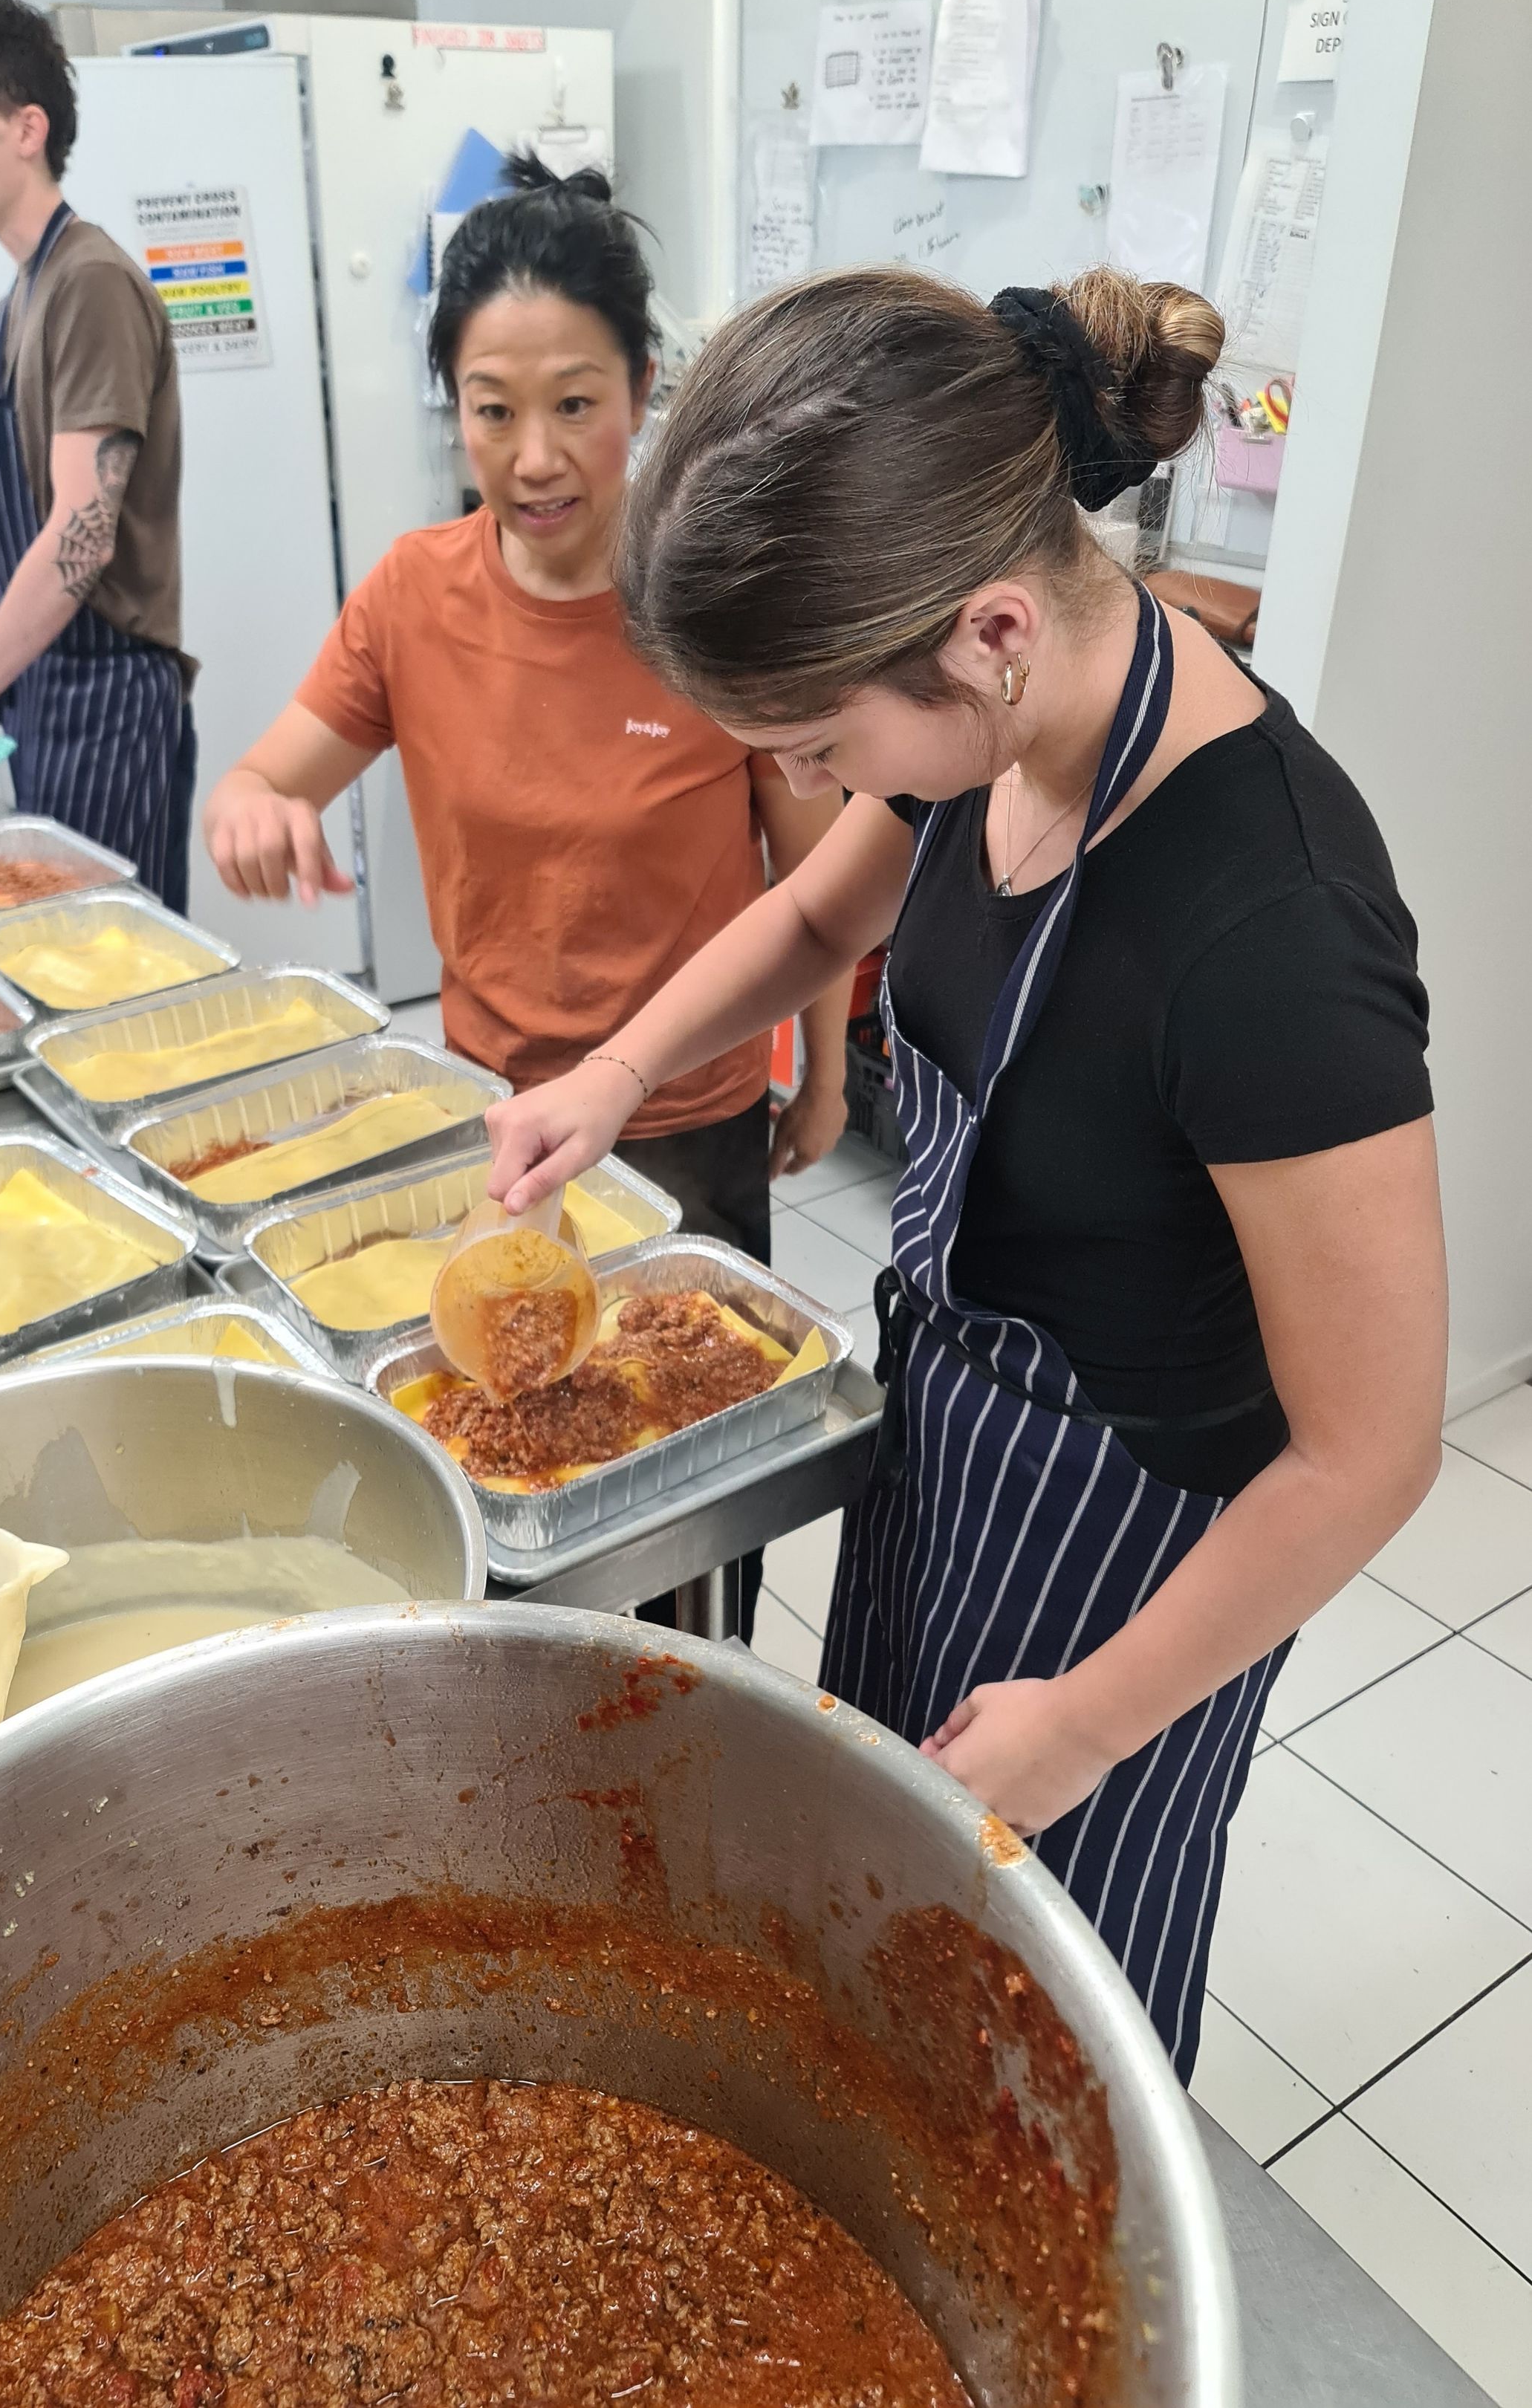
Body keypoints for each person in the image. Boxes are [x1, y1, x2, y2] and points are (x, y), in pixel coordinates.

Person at [486, 264, 1446, 2080]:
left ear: (990, 630)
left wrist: (1083, 1724)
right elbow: (809, 919)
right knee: (885, 1927)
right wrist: (611, 1076)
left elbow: (1369, 1450)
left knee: (1037, 2024)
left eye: (817, 744)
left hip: (1136, 1551)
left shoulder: (1274, 927)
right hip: (946, 1431)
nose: (812, 778)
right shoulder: (978, 729)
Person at [204, 159, 851, 1565]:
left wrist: (825, 1071)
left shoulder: (708, 608)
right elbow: (264, 775)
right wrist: (252, 807)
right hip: (491, 1125)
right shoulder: (412, 594)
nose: (536, 456)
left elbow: (816, 884)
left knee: (686, 1490)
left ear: (643, 391)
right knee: (511, 1480)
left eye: (575, 404)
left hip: (682, 1117)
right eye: (494, 410)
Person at [0, 0, 197, 910]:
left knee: (110, 966)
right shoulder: (21, 298)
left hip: (106, 697)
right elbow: (10, 526)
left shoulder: (90, 285)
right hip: (42, 686)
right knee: (55, 951)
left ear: (26, 128)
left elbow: (80, 534)